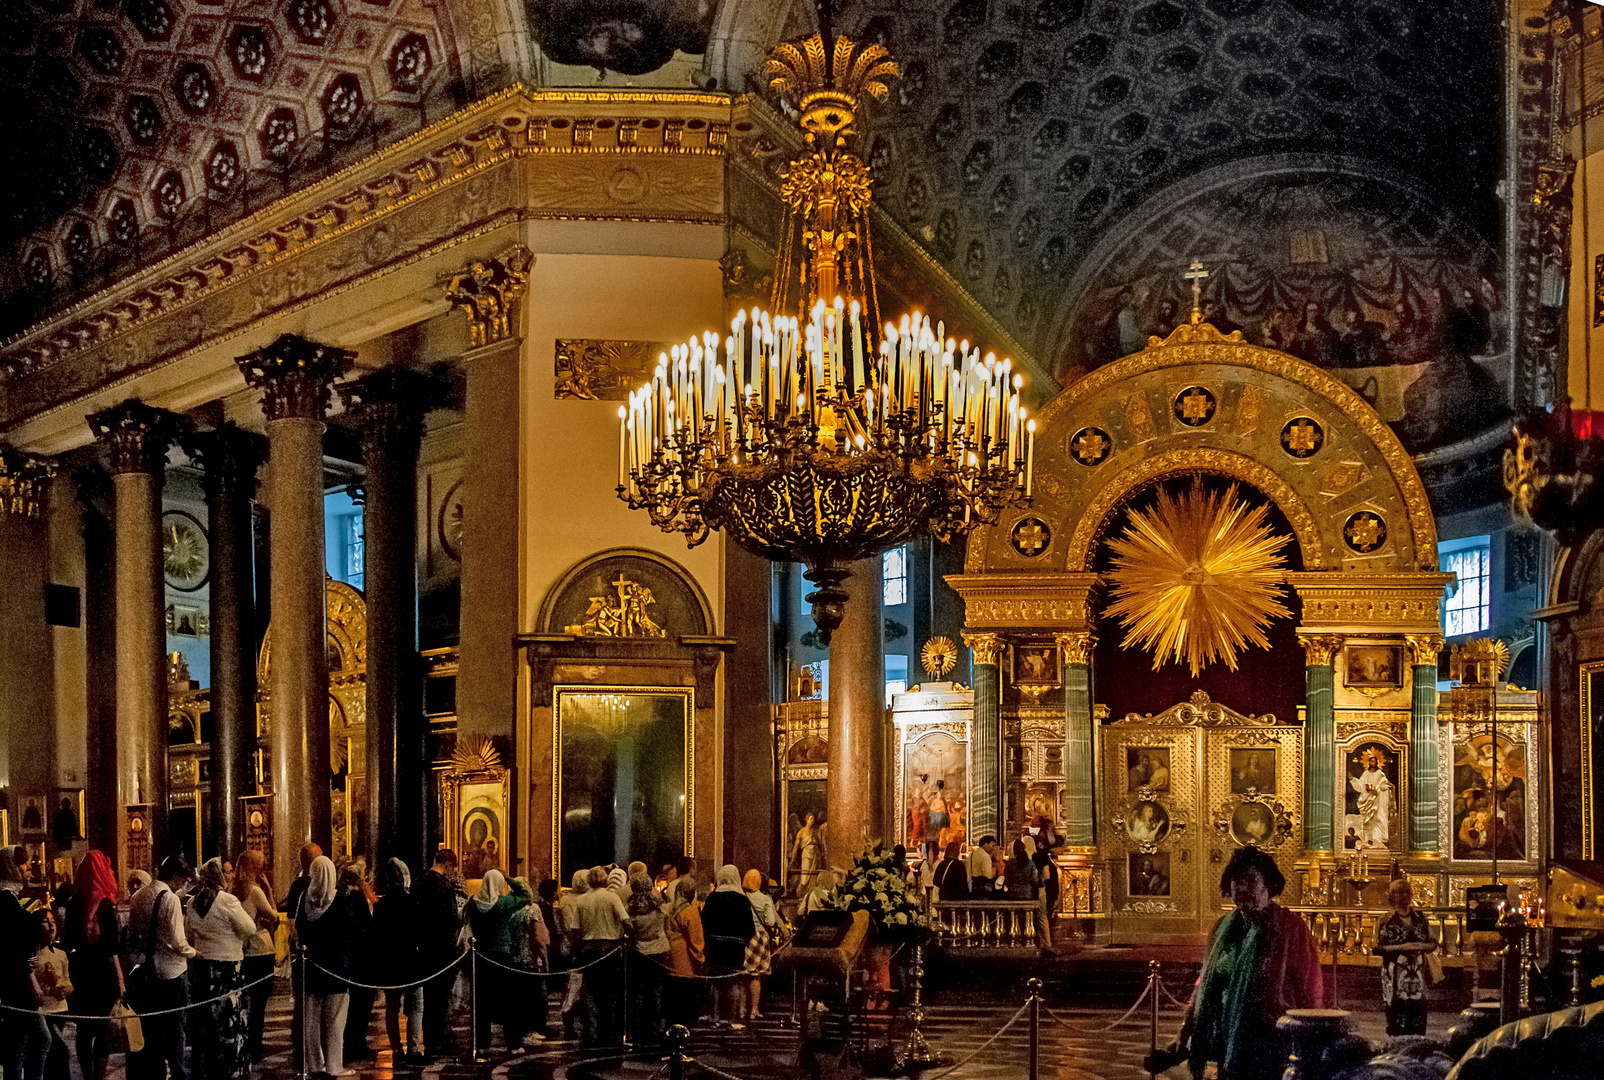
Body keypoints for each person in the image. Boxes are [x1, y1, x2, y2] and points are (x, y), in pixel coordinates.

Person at [1151, 847, 1323, 1080]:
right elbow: (1203, 987)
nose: (1242, 888)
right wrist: (1180, 1041)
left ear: (1269, 885)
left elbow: (1309, 994)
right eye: (1236, 881)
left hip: (1274, 1046)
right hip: (1229, 1042)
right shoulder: (1224, 929)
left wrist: (1311, 1051)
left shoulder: (1290, 929)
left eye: (1251, 880)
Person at [185, 858, 258, 1080]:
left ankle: (204, 1068)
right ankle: (230, 1069)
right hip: (227, 967)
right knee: (230, 1022)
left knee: (205, 1023)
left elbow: (190, 931)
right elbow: (250, 928)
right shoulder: (227, 900)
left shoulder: (192, 902)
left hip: (202, 968)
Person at [297, 855, 370, 1079]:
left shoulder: (304, 898)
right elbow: (354, 930)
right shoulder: (339, 900)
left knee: (311, 1022)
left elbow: (300, 928)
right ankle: (334, 1065)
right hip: (337, 968)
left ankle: (313, 1063)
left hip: (311, 967)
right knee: (335, 1022)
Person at [126, 855, 197, 1080]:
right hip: (171, 973)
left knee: (152, 1030)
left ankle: (154, 1073)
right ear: (175, 876)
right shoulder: (170, 899)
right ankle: (177, 1073)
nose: (183, 885)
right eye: (183, 880)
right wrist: (194, 952)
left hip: (147, 972)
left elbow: (134, 936)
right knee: (175, 1030)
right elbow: (177, 941)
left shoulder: (138, 896)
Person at [64, 851, 124, 1080]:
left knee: (83, 1028)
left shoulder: (73, 902)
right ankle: (99, 1076)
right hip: (102, 972)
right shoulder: (106, 904)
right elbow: (112, 947)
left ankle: (87, 1074)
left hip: (80, 970)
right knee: (101, 1029)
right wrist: (119, 981)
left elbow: (69, 940)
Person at [467, 870, 530, 1053]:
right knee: (509, 1002)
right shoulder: (503, 903)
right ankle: (513, 1043)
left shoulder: (473, 902)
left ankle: (481, 1044)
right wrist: (510, 879)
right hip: (502, 955)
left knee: (481, 1002)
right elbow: (526, 896)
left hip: (480, 955)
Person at [412, 849, 465, 1060]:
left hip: (422, 949)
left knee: (426, 1000)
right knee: (441, 999)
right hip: (442, 951)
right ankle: (439, 1041)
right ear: (449, 865)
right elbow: (452, 921)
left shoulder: (417, 883)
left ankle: (429, 1040)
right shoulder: (445, 887)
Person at [372, 859, 425, 1064]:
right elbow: (419, 932)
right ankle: (413, 1049)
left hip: (390, 961)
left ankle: (396, 1050)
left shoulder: (382, 905)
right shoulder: (412, 901)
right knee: (416, 1006)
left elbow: (377, 935)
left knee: (392, 1008)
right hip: (410, 960)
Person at [1, 847, 47, 1080]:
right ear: (13, 867)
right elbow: (17, 950)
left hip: (15, 986)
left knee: (34, 1041)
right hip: (17, 988)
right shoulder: (6, 902)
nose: (29, 870)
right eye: (25, 865)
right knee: (19, 1048)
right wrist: (33, 984)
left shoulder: (10, 900)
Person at [228, 850, 277, 1064]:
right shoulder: (255, 891)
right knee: (259, 1004)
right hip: (260, 949)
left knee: (245, 1003)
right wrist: (269, 890)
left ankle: (244, 1045)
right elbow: (273, 916)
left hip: (243, 951)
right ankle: (255, 1047)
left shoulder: (233, 890)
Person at [572, 866, 628, 1046]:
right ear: (605, 879)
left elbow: (575, 930)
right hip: (610, 948)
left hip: (588, 948)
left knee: (590, 993)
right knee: (610, 994)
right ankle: (608, 1033)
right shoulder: (612, 897)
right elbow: (625, 921)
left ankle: (591, 1032)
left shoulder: (581, 900)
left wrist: (577, 950)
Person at [1375, 878, 1437, 1036]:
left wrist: (1421, 947)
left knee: (1418, 1009)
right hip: (1395, 972)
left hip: (1417, 972)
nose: (1405, 895)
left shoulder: (1420, 918)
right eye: (1400, 892)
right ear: (1392, 896)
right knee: (1397, 1009)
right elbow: (1377, 947)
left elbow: (1433, 943)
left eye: (1408, 891)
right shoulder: (1387, 920)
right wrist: (1401, 948)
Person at [700, 866, 755, 1030]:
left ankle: (714, 1017)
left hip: (715, 945)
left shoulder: (712, 898)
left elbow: (704, 921)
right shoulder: (742, 899)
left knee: (715, 981)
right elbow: (749, 926)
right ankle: (732, 1018)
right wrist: (743, 940)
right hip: (735, 947)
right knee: (734, 982)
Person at [337, 862, 377, 1065]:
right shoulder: (357, 897)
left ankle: (351, 1042)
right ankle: (357, 1043)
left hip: (352, 957)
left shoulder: (342, 896)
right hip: (363, 957)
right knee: (361, 1006)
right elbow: (367, 926)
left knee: (354, 1005)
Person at [624, 870, 668, 1044]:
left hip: (638, 951)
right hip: (657, 950)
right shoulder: (658, 905)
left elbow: (627, 928)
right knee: (656, 992)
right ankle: (655, 1028)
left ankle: (638, 1028)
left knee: (637, 993)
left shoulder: (629, 908)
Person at [506, 875, 550, 1043]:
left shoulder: (507, 906)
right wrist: (544, 959)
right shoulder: (531, 908)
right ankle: (529, 1032)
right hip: (528, 958)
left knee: (515, 1000)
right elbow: (539, 938)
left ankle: (517, 1033)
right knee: (531, 999)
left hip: (510, 958)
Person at [30, 910, 72, 1080]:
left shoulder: (60, 954)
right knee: (58, 1051)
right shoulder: (33, 955)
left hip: (60, 1008)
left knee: (53, 1055)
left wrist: (66, 989)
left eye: (53, 921)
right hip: (42, 1011)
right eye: (45, 921)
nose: (51, 925)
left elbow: (68, 982)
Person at [661, 878, 705, 1031]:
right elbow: (695, 937)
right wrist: (700, 957)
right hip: (684, 955)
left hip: (669, 952)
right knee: (684, 994)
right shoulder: (689, 911)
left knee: (672, 994)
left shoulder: (668, 908)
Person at [741, 869, 781, 1022]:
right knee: (755, 975)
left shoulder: (742, 896)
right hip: (759, 938)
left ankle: (742, 1009)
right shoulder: (764, 899)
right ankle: (754, 1009)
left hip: (745, 936)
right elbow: (770, 921)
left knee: (744, 975)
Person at [557, 870, 590, 1039]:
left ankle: (581, 1019)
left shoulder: (572, 899)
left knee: (581, 988)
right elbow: (571, 927)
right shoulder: (570, 900)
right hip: (574, 948)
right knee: (572, 988)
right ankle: (569, 1020)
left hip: (576, 947)